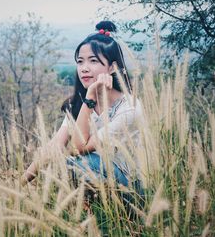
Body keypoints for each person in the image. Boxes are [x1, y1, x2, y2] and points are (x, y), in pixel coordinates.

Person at [23, 21, 142, 189]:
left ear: (112, 67)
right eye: (80, 62)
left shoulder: (129, 107)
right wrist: (17, 187)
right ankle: (91, 212)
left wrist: (91, 96)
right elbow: (55, 146)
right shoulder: (79, 103)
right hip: (102, 183)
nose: (84, 68)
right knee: (69, 160)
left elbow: (79, 147)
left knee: (81, 162)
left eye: (93, 61)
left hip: (133, 189)